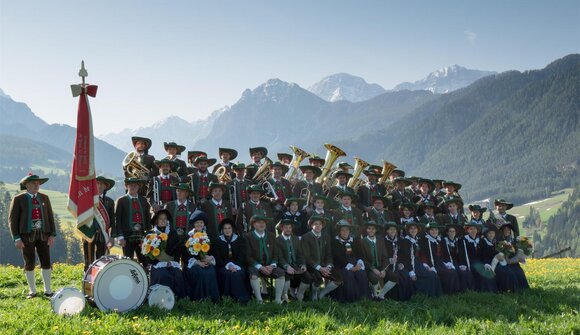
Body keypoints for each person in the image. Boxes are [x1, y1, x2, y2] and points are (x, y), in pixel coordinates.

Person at [9, 174, 56, 298]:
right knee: (29, 262)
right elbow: (12, 221)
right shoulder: (18, 199)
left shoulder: (45, 198)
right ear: (26, 185)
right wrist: (17, 238)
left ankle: (48, 290)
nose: (37, 185)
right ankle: (33, 291)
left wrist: (52, 234)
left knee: (46, 261)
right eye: (34, 183)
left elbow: (50, 217)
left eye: (38, 183)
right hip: (26, 236)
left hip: (43, 234)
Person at [300, 215, 343, 301]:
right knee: (318, 279)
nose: (318, 226)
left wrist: (328, 266)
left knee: (339, 278)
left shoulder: (326, 236)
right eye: (315, 224)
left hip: (324, 265)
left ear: (323, 226)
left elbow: (329, 254)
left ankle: (322, 293)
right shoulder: (306, 237)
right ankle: (314, 294)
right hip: (311, 266)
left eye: (320, 224)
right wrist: (320, 268)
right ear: (312, 225)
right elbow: (306, 256)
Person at [245, 215, 285, 304]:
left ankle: (277, 300)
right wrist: (260, 267)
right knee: (254, 276)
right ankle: (259, 300)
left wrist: (272, 265)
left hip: (269, 266)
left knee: (281, 274)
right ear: (254, 224)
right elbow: (248, 256)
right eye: (259, 222)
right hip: (254, 265)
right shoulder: (248, 237)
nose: (262, 224)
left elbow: (276, 254)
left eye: (263, 223)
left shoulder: (271, 235)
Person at [147, 209, 186, 299]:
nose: (163, 221)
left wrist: (172, 262)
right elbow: (147, 253)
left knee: (177, 273)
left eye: (165, 219)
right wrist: (160, 262)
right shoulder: (151, 233)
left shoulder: (172, 233)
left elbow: (177, 250)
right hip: (156, 264)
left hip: (171, 262)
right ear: (156, 220)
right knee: (164, 275)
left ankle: (177, 298)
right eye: (161, 219)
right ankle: (161, 298)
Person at [113, 177, 151, 267]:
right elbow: (117, 220)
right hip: (126, 237)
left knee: (145, 261)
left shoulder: (143, 200)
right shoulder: (121, 200)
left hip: (142, 236)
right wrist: (120, 236)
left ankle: (146, 279)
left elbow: (148, 218)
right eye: (131, 185)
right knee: (127, 261)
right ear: (126, 186)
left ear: (139, 187)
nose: (133, 187)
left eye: (135, 185)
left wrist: (149, 235)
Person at [397, 221, 442, 297]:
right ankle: (423, 295)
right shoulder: (405, 241)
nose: (413, 230)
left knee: (433, 275)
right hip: (409, 264)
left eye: (415, 228)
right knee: (429, 277)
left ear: (418, 230)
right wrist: (411, 272)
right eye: (411, 228)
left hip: (418, 262)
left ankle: (434, 295)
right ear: (408, 230)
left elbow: (421, 255)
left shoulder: (417, 240)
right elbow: (405, 258)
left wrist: (425, 264)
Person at [184, 210, 220, 302]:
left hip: (206, 261)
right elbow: (185, 256)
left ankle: (212, 299)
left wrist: (209, 258)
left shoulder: (208, 235)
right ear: (194, 224)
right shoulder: (188, 236)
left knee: (211, 271)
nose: (199, 225)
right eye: (197, 223)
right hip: (193, 264)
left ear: (204, 224)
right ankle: (199, 298)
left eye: (201, 223)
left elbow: (214, 251)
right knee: (200, 272)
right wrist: (197, 262)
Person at [330, 219, 370, 302]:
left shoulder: (355, 241)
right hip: (341, 265)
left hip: (355, 263)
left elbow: (360, 254)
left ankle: (363, 298)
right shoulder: (335, 241)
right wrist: (350, 266)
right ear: (339, 231)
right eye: (342, 230)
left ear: (349, 231)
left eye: (347, 230)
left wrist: (359, 263)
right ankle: (349, 299)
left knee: (361, 273)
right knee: (349, 275)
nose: (345, 232)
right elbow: (337, 257)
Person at [82, 176, 115, 271]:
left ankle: (100, 281)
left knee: (102, 261)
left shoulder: (110, 202)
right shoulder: (86, 200)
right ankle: (87, 282)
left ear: (106, 187)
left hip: (103, 235)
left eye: (102, 184)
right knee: (88, 260)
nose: (99, 186)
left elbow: (113, 222)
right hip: (89, 233)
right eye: (97, 183)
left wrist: (112, 238)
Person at [359, 221, 398, 300]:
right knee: (374, 278)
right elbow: (363, 259)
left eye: (373, 229)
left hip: (381, 267)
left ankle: (380, 295)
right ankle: (377, 295)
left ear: (376, 230)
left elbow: (385, 257)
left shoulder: (380, 240)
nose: (371, 230)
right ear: (366, 230)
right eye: (369, 229)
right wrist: (373, 269)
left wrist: (384, 270)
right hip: (370, 268)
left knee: (394, 277)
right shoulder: (362, 242)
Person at [214, 218, 251, 303]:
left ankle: (241, 298)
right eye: (225, 228)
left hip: (238, 264)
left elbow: (242, 256)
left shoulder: (240, 240)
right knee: (227, 274)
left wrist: (235, 266)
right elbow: (217, 257)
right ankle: (226, 297)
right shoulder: (218, 241)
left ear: (233, 229)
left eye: (229, 228)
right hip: (223, 265)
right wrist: (228, 265)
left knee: (238, 273)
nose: (227, 230)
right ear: (222, 230)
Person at [419, 222, 460, 295]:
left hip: (439, 263)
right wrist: (428, 266)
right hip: (429, 263)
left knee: (452, 272)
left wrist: (446, 263)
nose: (434, 232)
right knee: (446, 273)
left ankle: (452, 292)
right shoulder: (425, 240)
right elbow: (422, 255)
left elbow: (441, 255)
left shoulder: (438, 240)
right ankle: (443, 293)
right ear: (428, 231)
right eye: (432, 230)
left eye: (436, 230)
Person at [276, 219, 312, 302]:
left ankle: (299, 294)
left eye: (290, 227)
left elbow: (300, 254)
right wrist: (287, 266)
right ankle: (285, 297)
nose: (288, 229)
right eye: (286, 227)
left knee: (307, 277)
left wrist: (303, 264)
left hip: (295, 265)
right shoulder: (277, 240)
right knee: (287, 276)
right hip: (283, 265)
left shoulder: (295, 239)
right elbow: (279, 257)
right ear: (282, 228)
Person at [163, 183, 196, 267]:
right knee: (174, 262)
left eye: (182, 191)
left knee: (187, 263)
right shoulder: (169, 205)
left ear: (187, 194)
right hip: (172, 240)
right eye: (178, 191)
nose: (179, 193)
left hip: (188, 240)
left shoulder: (193, 206)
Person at [478, 224, 518, 293]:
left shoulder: (495, 243)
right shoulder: (482, 242)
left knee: (507, 270)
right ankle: (495, 291)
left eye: (492, 233)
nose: (491, 235)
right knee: (499, 271)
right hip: (486, 262)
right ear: (486, 234)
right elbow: (481, 255)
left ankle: (509, 289)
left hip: (496, 262)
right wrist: (485, 263)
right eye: (489, 233)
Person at [458, 222, 496, 293]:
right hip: (469, 263)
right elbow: (461, 255)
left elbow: (484, 255)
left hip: (480, 262)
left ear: (477, 230)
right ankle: (482, 291)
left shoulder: (481, 241)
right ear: (468, 230)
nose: (473, 230)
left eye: (475, 229)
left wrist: (486, 263)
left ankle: (490, 291)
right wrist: (463, 264)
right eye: (471, 229)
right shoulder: (463, 241)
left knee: (488, 271)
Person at [383, 221, 414, 301]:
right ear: (387, 231)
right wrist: (389, 259)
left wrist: (401, 263)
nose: (392, 231)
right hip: (387, 264)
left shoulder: (401, 241)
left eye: (394, 229)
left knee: (405, 275)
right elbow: (382, 254)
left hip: (398, 264)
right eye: (390, 229)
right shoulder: (383, 241)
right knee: (394, 276)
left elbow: (403, 255)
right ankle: (392, 297)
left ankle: (404, 297)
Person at [443, 223, 475, 292]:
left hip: (457, 263)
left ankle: (467, 290)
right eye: (450, 231)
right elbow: (443, 255)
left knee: (466, 272)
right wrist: (448, 264)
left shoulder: (458, 241)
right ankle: (456, 291)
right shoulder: (444, 241)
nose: (452, 233)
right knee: (455, 273)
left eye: (453, 231)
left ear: (456, 232)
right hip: (448, 263)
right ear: (447, 233)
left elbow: (461, 255)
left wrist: (462, 264)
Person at [499, 223, 530, 290]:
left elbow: (519, 252)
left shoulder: (514, 241)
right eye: (505, 230)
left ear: (510, 231)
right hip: (504, 262)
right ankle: (513, 289)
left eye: (508, 229)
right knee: (511, 273)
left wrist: (515, 259)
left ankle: (524, 289)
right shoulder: (500, 242)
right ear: (502, 231)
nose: (506, 231)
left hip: (514, 262)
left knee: (520, 272)